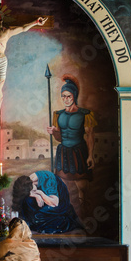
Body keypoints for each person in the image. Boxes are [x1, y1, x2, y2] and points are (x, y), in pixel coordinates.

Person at [47, 74, 97, 216]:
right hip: (64, 152)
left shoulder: (85, 114)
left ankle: (84, 211)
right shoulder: (58, 114)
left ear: (74, 96)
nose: (66, 99)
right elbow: (59, 138)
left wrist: (91, 156)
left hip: (78, 151)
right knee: (63, 185)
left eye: (68, 96)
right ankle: (66, 213)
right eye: (63, 96)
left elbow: (90, 136)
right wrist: (54, 132)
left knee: (82, 185)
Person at [12, 171, 82, 234]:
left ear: (32, 184)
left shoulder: (48, 180)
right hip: (46, 200)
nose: (32, 193)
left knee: (39, 217)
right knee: (27, 202)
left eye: (32, 191)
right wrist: (35, 195)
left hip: (59, 202)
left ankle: (67, 222)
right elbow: (28, 193)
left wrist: (40, 194)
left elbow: (55, 203)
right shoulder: (28, 182)